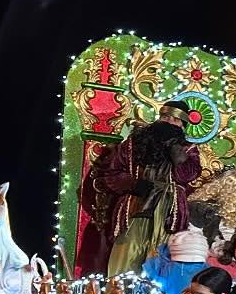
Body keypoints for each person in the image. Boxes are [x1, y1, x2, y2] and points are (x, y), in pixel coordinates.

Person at [76, 100, 202, 277]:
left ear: (183, 125)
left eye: (175, 120)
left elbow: (187, 175)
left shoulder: (188, 149)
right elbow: (112, 173)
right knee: (126, 256)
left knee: (162, 258)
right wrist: (134, 184)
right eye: (165, 117)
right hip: (136, 207)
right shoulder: (134, 144)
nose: (169, 123)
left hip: (169, 213)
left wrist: (176, 151)